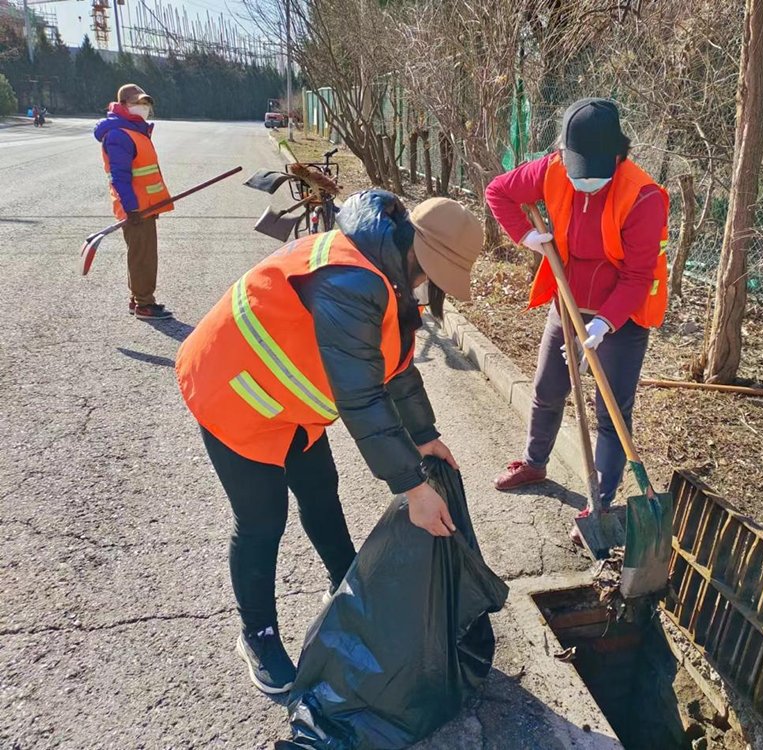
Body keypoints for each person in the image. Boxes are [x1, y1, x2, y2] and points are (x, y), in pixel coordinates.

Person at [175, 190, 484, 695]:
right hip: (234, 391)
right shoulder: (353, 282)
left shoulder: (389, 272)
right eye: (431, 273)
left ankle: (344, 580)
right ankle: (258, 634)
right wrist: (412, 488)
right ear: (416, 254)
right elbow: (362, 397)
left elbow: (396, 366)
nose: (429, 286)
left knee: (320, 488)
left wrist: (424, 437)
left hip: (287, 402)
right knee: (261, 520)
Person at [486, 98, 669, 544]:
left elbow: (637, 276)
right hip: (567, 304)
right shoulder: (550, 170)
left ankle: (600, 501)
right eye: (577, 172)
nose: (585, 184)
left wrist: (603, 326)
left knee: (610, 412)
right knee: (548, 389)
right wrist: (526, 235)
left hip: (621, 317)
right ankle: (534, 462)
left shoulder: (643, 196)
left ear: (618, 156)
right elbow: (499, 192)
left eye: (595, 175)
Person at [94, 84, 174, 320]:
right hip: (136, 209)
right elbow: (120, 177)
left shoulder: (135, 131)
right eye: (139, 103)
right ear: (124, 105)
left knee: (142, 254)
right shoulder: (120, 135)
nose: (145, 108)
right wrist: (132, 209)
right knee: (143, 257)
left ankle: (137, 299)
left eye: (146, 104)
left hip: (145, 207)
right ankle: (144, 304)